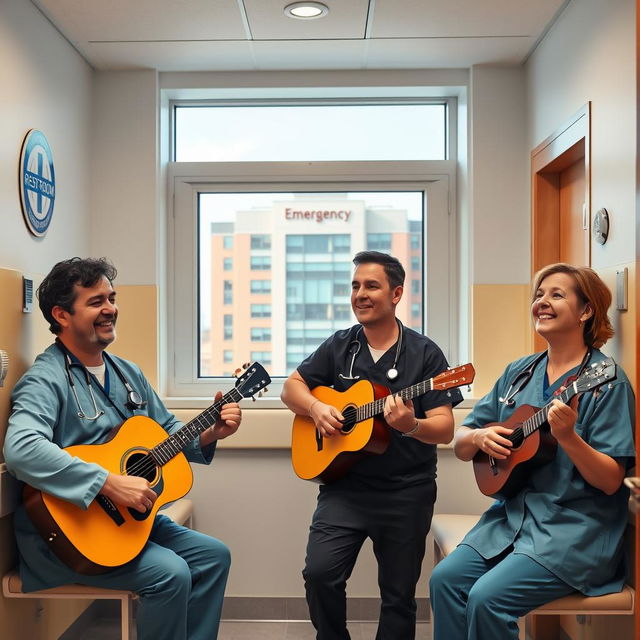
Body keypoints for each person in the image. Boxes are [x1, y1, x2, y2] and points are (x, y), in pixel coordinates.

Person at [3, 257, 242, 640]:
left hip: (129, 524)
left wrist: (210, 432)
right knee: (171, 574)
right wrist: (107, 483)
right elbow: (21, 449)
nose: (111, 308)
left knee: (214, 557)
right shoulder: (44, 379)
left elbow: (166, 431)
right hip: (67, 537)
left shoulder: (127, 372)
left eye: (111, 298)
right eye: (96, 301)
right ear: (62, 315)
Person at [429, 263, 635, 640]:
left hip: (574, 534)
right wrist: (477, 439)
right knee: (445, 581)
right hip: (510, 522)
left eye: (556, 295)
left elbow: (610, 481)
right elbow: (460, 442)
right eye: (538, 295)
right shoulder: (519, 372)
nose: (542, 302)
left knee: (487, 599)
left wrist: (570, 438)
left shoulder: (606, 383)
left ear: (586, 311)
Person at [281, 250, 462, 640]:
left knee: (398, 596)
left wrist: (412, 425)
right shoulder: (341, 345)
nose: (360, 294)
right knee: (319, 574)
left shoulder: (425, 353)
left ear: (396, 294)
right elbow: (291, 387)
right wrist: (315, 408)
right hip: (345, 488)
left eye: (372, 286)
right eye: (355, 286)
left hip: (406, 490)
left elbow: (445, 428)